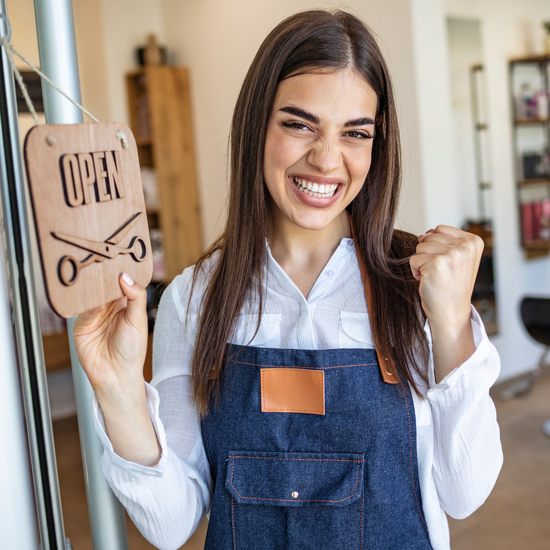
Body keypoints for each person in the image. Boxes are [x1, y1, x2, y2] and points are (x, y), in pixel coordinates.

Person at [75, 9, 503, 550]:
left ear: (376, 144)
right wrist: (117, 391)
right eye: (299, 124)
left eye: (355, 133)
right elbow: (171, 524)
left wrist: (452, 323)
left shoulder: (417, 286)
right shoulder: (196, 297)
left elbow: (465, 493)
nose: (327, 159)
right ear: (257, 124)